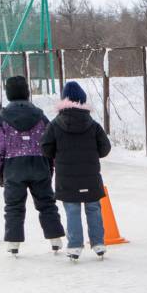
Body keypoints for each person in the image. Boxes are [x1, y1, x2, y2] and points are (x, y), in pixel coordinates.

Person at [0, 75, 64, 256]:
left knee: (14, 205)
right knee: (47, 203)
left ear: (8, 94)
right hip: (39, 163)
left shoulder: (3, 118)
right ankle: (55, 239)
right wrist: (51, 165)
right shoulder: (40, 116)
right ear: (27, 92)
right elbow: (50, 142)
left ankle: (13, 243)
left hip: (13, 166)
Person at [42, 81, 111, 261]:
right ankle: (98, 243)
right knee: (93, 208)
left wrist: (58, 154)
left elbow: (46, 148)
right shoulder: (93, 124)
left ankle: (74, 246)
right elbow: (105, 148)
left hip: (67, 178)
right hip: (90, 175)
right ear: (82, 99)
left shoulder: (55, 124)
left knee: (72, 210)